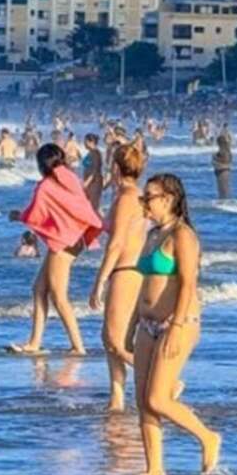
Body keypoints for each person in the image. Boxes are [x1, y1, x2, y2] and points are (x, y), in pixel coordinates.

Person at [132, 173, 221, 475]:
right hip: (147, 324)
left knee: (158, 398)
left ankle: (207, 437)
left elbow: (187, 285)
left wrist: (178, 326)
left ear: (168, 199)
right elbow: (145, 283)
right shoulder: (153, 234)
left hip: (177, 322)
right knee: (143, 401)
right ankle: (154, 469)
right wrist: (133, 324)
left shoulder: (183, 236)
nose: (144, 203)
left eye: (149, 197)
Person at [9, 144, 103, 356]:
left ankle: (78, 347)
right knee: (39, 289)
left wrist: (18, 216)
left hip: (64, 241)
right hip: (77, 237)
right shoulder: (70, 178)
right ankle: (34, 342)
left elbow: (35, 214)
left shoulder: (45, 186)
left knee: (59, 296)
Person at [89, 143, 147, 412]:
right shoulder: (136, 195)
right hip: (134, 271)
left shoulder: (127, 198)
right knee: (111, 338)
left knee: (113, 339)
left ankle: (164, 381)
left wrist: (99, 281)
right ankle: (117, 397)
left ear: (115, 166)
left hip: (125, 272)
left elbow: (116, 244)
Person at [82, 134, 104, 210]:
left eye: (85, 141)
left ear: (91, 142)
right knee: (89, 206)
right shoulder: (90, 152)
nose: (84, 143)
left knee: (94, 207)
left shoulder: (95, 153)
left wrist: (87, 182)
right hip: (90, 182)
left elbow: (95, 169)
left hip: (94, 182)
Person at [212, 133, 233, 199]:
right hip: (224, 171)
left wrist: (215, 157)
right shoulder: (227, 150)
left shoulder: (223, 151)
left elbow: (225, 160)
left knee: (223, 190)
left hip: (222, 171)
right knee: (225, 189)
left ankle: (224, 203)